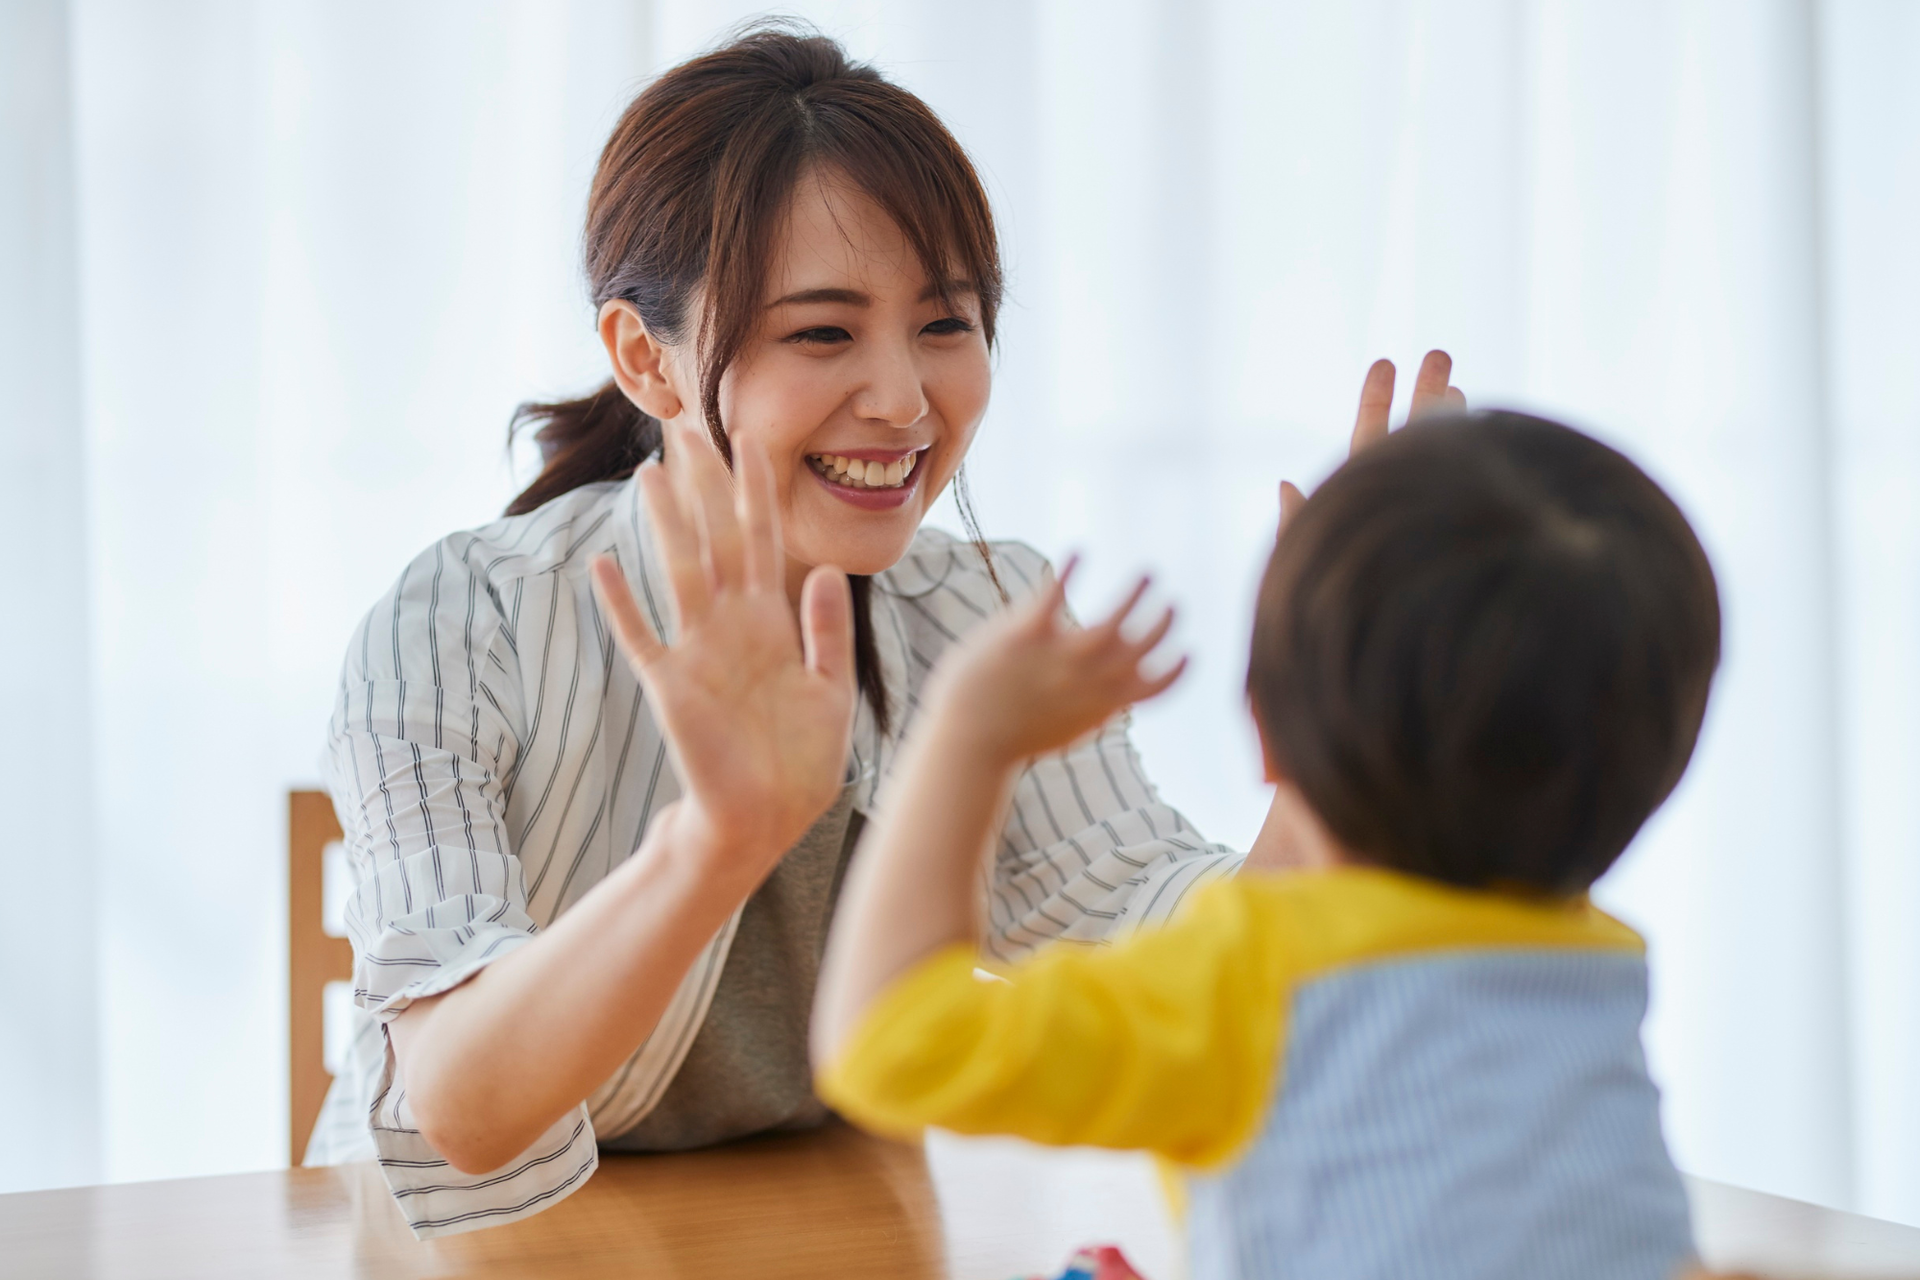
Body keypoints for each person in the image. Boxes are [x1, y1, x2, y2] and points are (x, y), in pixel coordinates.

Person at [309, 26, 1464, 1237]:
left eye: (945, 324)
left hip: (825, 1224)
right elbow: (459, 1107)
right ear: (644, 356)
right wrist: (717, 842)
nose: (907, 400)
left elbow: (1191, 956)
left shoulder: (985, 615)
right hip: (451, 1247)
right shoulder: (462, 619)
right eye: (822, 331)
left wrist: (1354, 716)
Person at [812, 410, 1720, 1280]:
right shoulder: (1595, 972)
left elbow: (883, 1046)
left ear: (1266, 737)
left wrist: (969, 735)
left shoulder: (1251, 980)